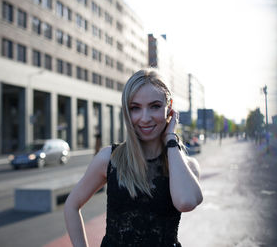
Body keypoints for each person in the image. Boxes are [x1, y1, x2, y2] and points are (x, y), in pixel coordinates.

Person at [64, 69, 203, 247]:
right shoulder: (110, 158)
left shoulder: (186, 166)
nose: (144, 118)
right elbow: (71, 206)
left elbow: (186, 202)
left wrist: (171, 139)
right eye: (135, 108)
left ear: (169, 108)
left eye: (155, 106)